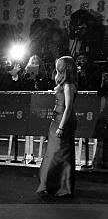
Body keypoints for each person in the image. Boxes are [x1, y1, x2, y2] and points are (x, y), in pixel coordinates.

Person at [37, 56, 78, 197]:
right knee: (54, 152)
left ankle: (62, 186)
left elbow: (68, 108)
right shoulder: (63, 83)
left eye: (58, 65)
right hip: (57, 119)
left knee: (60, 153)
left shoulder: (69, 86)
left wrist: (61, 127)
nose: (56, 67)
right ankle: (51, 184)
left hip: (63, 120)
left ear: (64, 68)